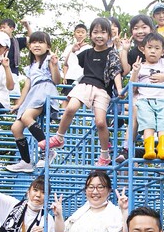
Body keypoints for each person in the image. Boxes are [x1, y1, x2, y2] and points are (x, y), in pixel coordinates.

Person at [39, 17, 123, 167]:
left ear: (109, 35)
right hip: (85, 84)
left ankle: (105, 155)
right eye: (95, 32)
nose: (99, 35)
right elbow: (68, 63)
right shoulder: (86, 53)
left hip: (102, 89)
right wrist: (72, 50)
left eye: (103, 32)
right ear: (90, 35)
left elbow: (116, 71)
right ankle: (59, 137)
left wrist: (119, 89)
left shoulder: (112, 53)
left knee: (100, 122)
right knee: (70, 108)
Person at [5, 31, 61, 173]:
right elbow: (26, 87)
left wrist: (54, 65)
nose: (37, 45)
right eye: (34, 42)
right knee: (15, 128)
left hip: (45, 91)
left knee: (27, 117)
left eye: (41, 42)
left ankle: (48, 150)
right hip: (32, 94)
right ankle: (26, 161)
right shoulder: (31, 67)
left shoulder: (49, 60)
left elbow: (56, 81)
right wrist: (19, 104)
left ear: (48, 46)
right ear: (29, 46)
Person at [129, 33, 164, 160]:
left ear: (163, 51)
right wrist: (135, 72)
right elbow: (132, 89)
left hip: (163, 100)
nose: (153, 51)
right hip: (144, 100)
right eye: (149, 47)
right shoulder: (140, 66)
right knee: (147, 123)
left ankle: (162, 148)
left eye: (157, 48)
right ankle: (149, 149)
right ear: (143, 49)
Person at [61, 23, 90, 93]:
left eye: (82, 32)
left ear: (87, 34)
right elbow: (65, 64)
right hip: (70, 77)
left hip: (83, 78)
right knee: (67, 98)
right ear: (74, 34)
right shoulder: (69, 47)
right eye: (78, 32)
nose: (80, 34)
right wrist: (64, 77)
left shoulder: (90, 48)